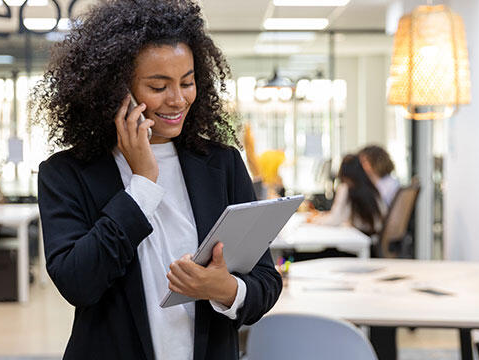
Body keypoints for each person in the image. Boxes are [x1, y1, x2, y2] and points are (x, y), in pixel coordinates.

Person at [31, 1, 282, 359]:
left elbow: (266, 282)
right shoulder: (66, 174)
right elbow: (78, 282)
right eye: (158, 85)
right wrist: (143, 184)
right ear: (115, 90)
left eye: (187, 82)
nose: (178, 99)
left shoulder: (222, 165)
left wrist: (226, 289)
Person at [310, 154, 386, 236]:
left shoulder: (345, 188)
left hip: (358, 241)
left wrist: (313, 220)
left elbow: (335, 219)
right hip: (374, 240)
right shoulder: (371, 188)